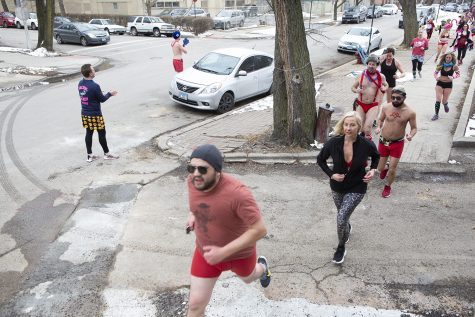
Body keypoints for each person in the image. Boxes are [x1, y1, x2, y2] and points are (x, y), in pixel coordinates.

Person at [185, 144, 271, 317]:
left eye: (202, 169)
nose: (195, 174)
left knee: (249, 278)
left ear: (217, 171)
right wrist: (193, 214)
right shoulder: (193, 182)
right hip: (206, 254)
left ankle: (263, 267)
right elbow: (197, 203)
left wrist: (223, 252)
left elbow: (260, 230)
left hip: (240, 255)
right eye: (191, 168)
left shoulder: (238, 194)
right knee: (195, 306)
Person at [317, 111, 379, 264]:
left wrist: (373, 170)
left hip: (357, 186)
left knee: (340, 218)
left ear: (358, 127)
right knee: (342, 216)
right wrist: (331, 175)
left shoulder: (366, 144)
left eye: (352, 125)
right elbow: (320, 160)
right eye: (346, 124)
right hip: (337, 186)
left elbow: (376, 156)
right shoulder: (333, 143)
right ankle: (346, 226)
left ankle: (341, 247)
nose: (348, 128)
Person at [375, 86, 417, 198]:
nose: (394, 100)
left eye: (398, 98)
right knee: (379, 169)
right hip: (383, 141)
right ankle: (385, 167)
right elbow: (380, 119)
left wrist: (410, 135)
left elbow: (414, 128)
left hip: (397, 143)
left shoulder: (410, 112)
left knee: (393, 169)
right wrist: (378, 127)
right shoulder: (386, 107)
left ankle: (388, 186)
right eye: (393, 97)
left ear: (404, 97)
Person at [78, 64, 119, 162]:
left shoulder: (80, 83)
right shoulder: (95, 86)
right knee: (101, 133)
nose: (94, 71)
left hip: (84, 113)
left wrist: (97, 93)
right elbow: (102, 99)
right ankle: (107, 154)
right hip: (95, 114)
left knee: (89, 133)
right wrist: (110, 94)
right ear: (90, 73)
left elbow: (87, 94)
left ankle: (89, 155)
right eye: (93, 70)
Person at [351, 55, 389, 140]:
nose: (371, 66)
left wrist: (385, 88)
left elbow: (386, 84)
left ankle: (368, 145)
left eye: (373, 64)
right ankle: (360, 142)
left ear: (377, 65)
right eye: (370, 64)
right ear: (367, 64)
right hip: (361, 104)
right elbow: (352, 88)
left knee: (367, 128)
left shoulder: (381, 76)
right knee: (359, 127)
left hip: (373, 105)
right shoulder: (360, 76)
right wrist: (356, 90)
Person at [432, 52, 460, 121]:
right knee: (438, 99)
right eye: (447, 57)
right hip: (440, 83)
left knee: (444, 101)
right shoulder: (440, 65)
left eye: (449, 57)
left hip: (448, 85)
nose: (448, 59)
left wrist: (453, 77)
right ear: (444, 58)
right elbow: (435, 73)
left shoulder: (454, 66)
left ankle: (445, 104)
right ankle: (436, 114)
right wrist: (436, 77)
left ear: (452, 58)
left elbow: (458, 74)